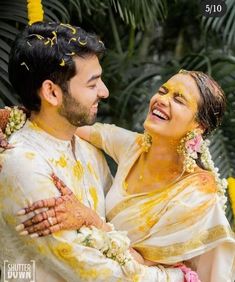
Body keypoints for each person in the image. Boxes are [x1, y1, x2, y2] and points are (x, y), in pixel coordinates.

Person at [0, 22, 186, 281]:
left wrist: (91, 219)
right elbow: (99, 273)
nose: (105, 92)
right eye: (92, 84)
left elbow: (121, 230)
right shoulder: (22, 165)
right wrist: (177, 276)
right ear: (52, 93)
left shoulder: (88, 149)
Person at [7, 70, 235, 281]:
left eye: (178, 99)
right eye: (163, 90)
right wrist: (20, 117)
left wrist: (91, 219)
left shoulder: (197, 194)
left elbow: (143, 263)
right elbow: (68, 126)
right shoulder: (135, 146)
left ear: (199, 126)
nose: (162, 100)